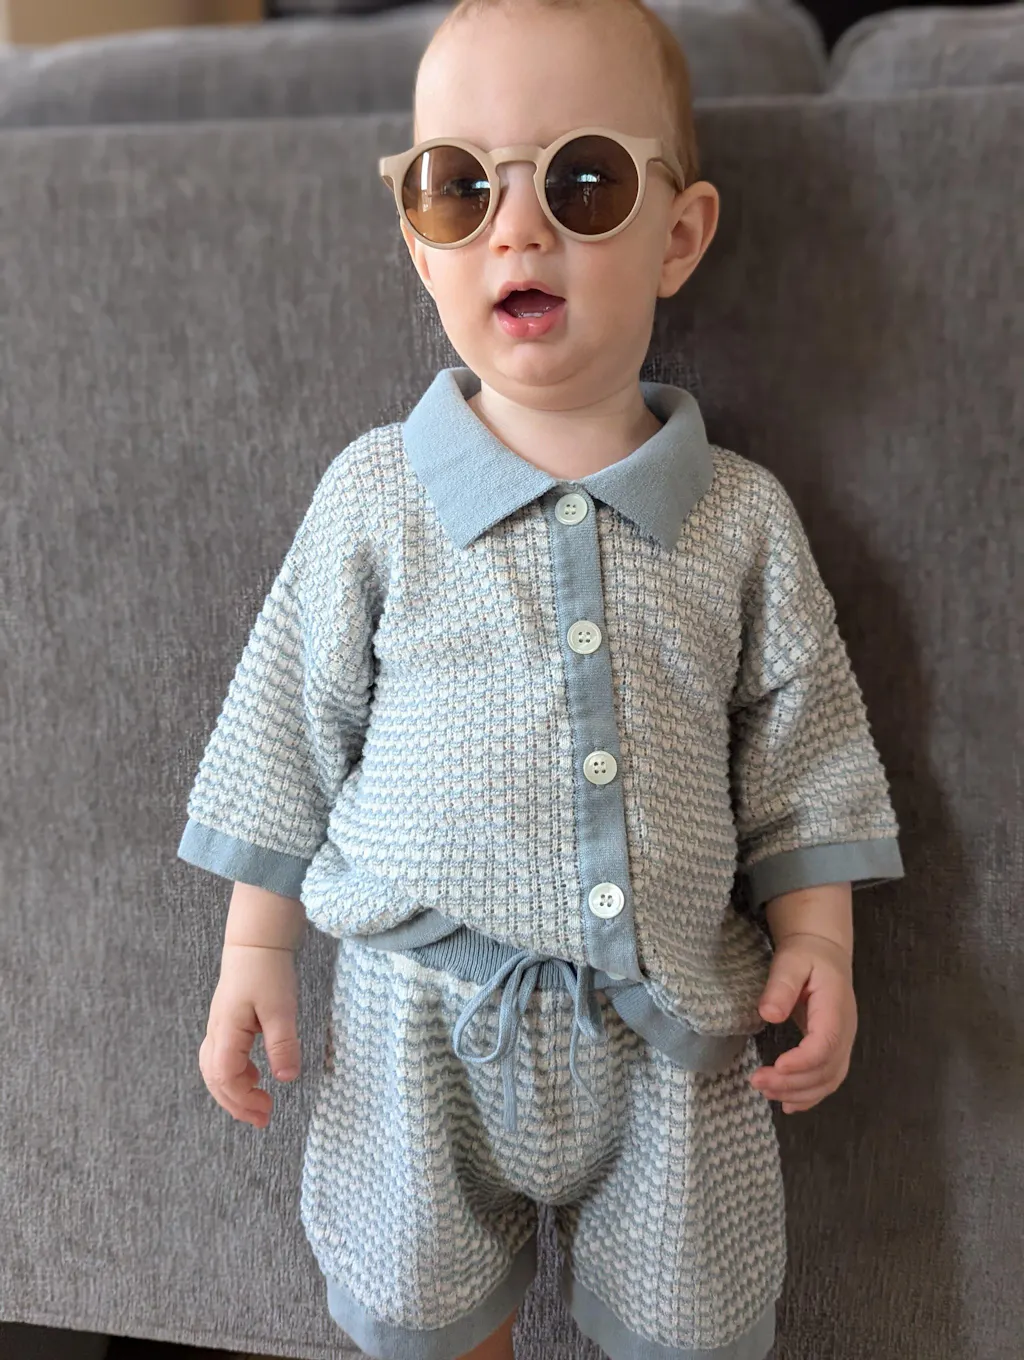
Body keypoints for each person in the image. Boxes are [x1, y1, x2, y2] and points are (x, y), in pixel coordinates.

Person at [177, 1, 904, 1357]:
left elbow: (802, 746)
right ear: (418, 241)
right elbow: (286, 722)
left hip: (675, 1036)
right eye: (460, 189)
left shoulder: (740, 519)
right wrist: (253, 948)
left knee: (690, 1326)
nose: (517, 232)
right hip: (418, 1018)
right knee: (427, 1315)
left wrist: (821, 941)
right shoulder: (377, 496)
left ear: (677, 234)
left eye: (583, 182)